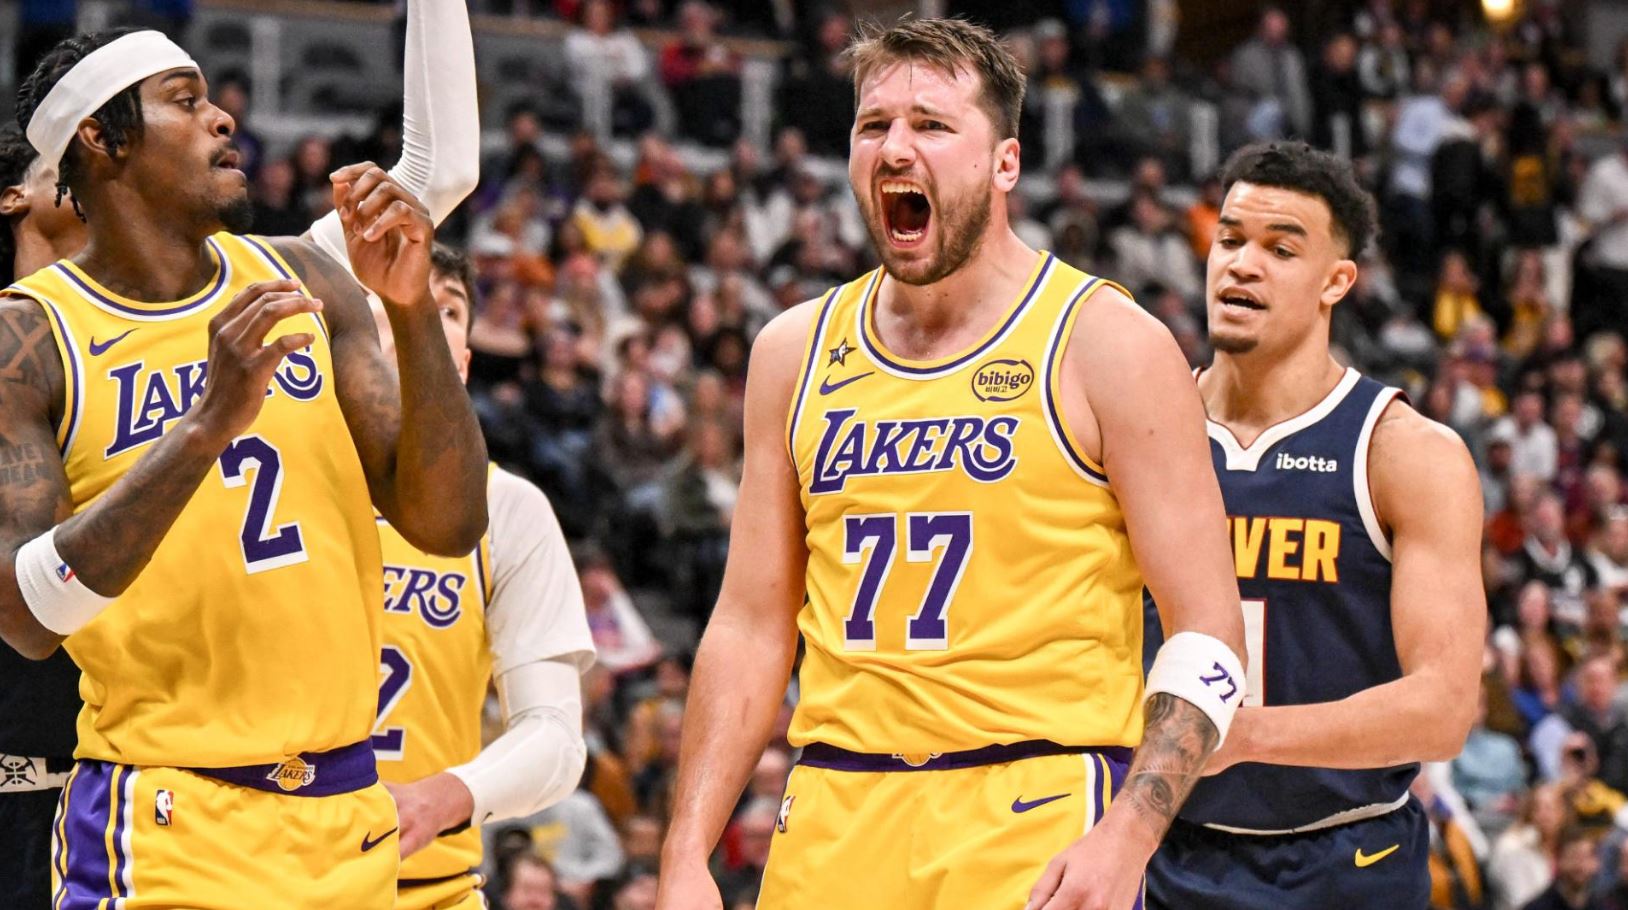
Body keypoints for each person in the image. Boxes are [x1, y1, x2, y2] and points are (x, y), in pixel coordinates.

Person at [657, 18, 1245, 910]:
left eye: (931, 124)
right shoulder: (792, 351)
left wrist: (1130, 834)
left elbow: (1208, 629)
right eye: (873, 125)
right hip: (832, 811)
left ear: (1005, 163)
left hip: (1035, 808)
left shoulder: (1107, 342)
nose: (896, 148)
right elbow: (749, 624)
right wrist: (685, 852)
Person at [0, 2, 479, 902]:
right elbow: (27, 616)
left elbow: (447, 524)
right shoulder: (29, 339)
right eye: (185, 101)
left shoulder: (306, 274)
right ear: (103, 138)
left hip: (346, 814)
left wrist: (414, 312)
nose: (223, 117)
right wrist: (204, 427)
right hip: (167, 826)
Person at [1143, 142, 1485, 908]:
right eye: (1230, 239)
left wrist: (1238, 736)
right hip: (1158, 849)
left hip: (1345, 858)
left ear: (1337, 281)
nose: (1242, 264)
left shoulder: (1405, 453)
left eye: (1280, 248)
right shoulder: (1141, 430)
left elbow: (1444, 708)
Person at [370, 245, 597, 910]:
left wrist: (445, 796)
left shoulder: (508, 509)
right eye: (392, 297)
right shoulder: (270, 489)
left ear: (464, 364)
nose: (422, 316)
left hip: (426, 885)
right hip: (266, 875)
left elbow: (555, 737)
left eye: (448, 309)